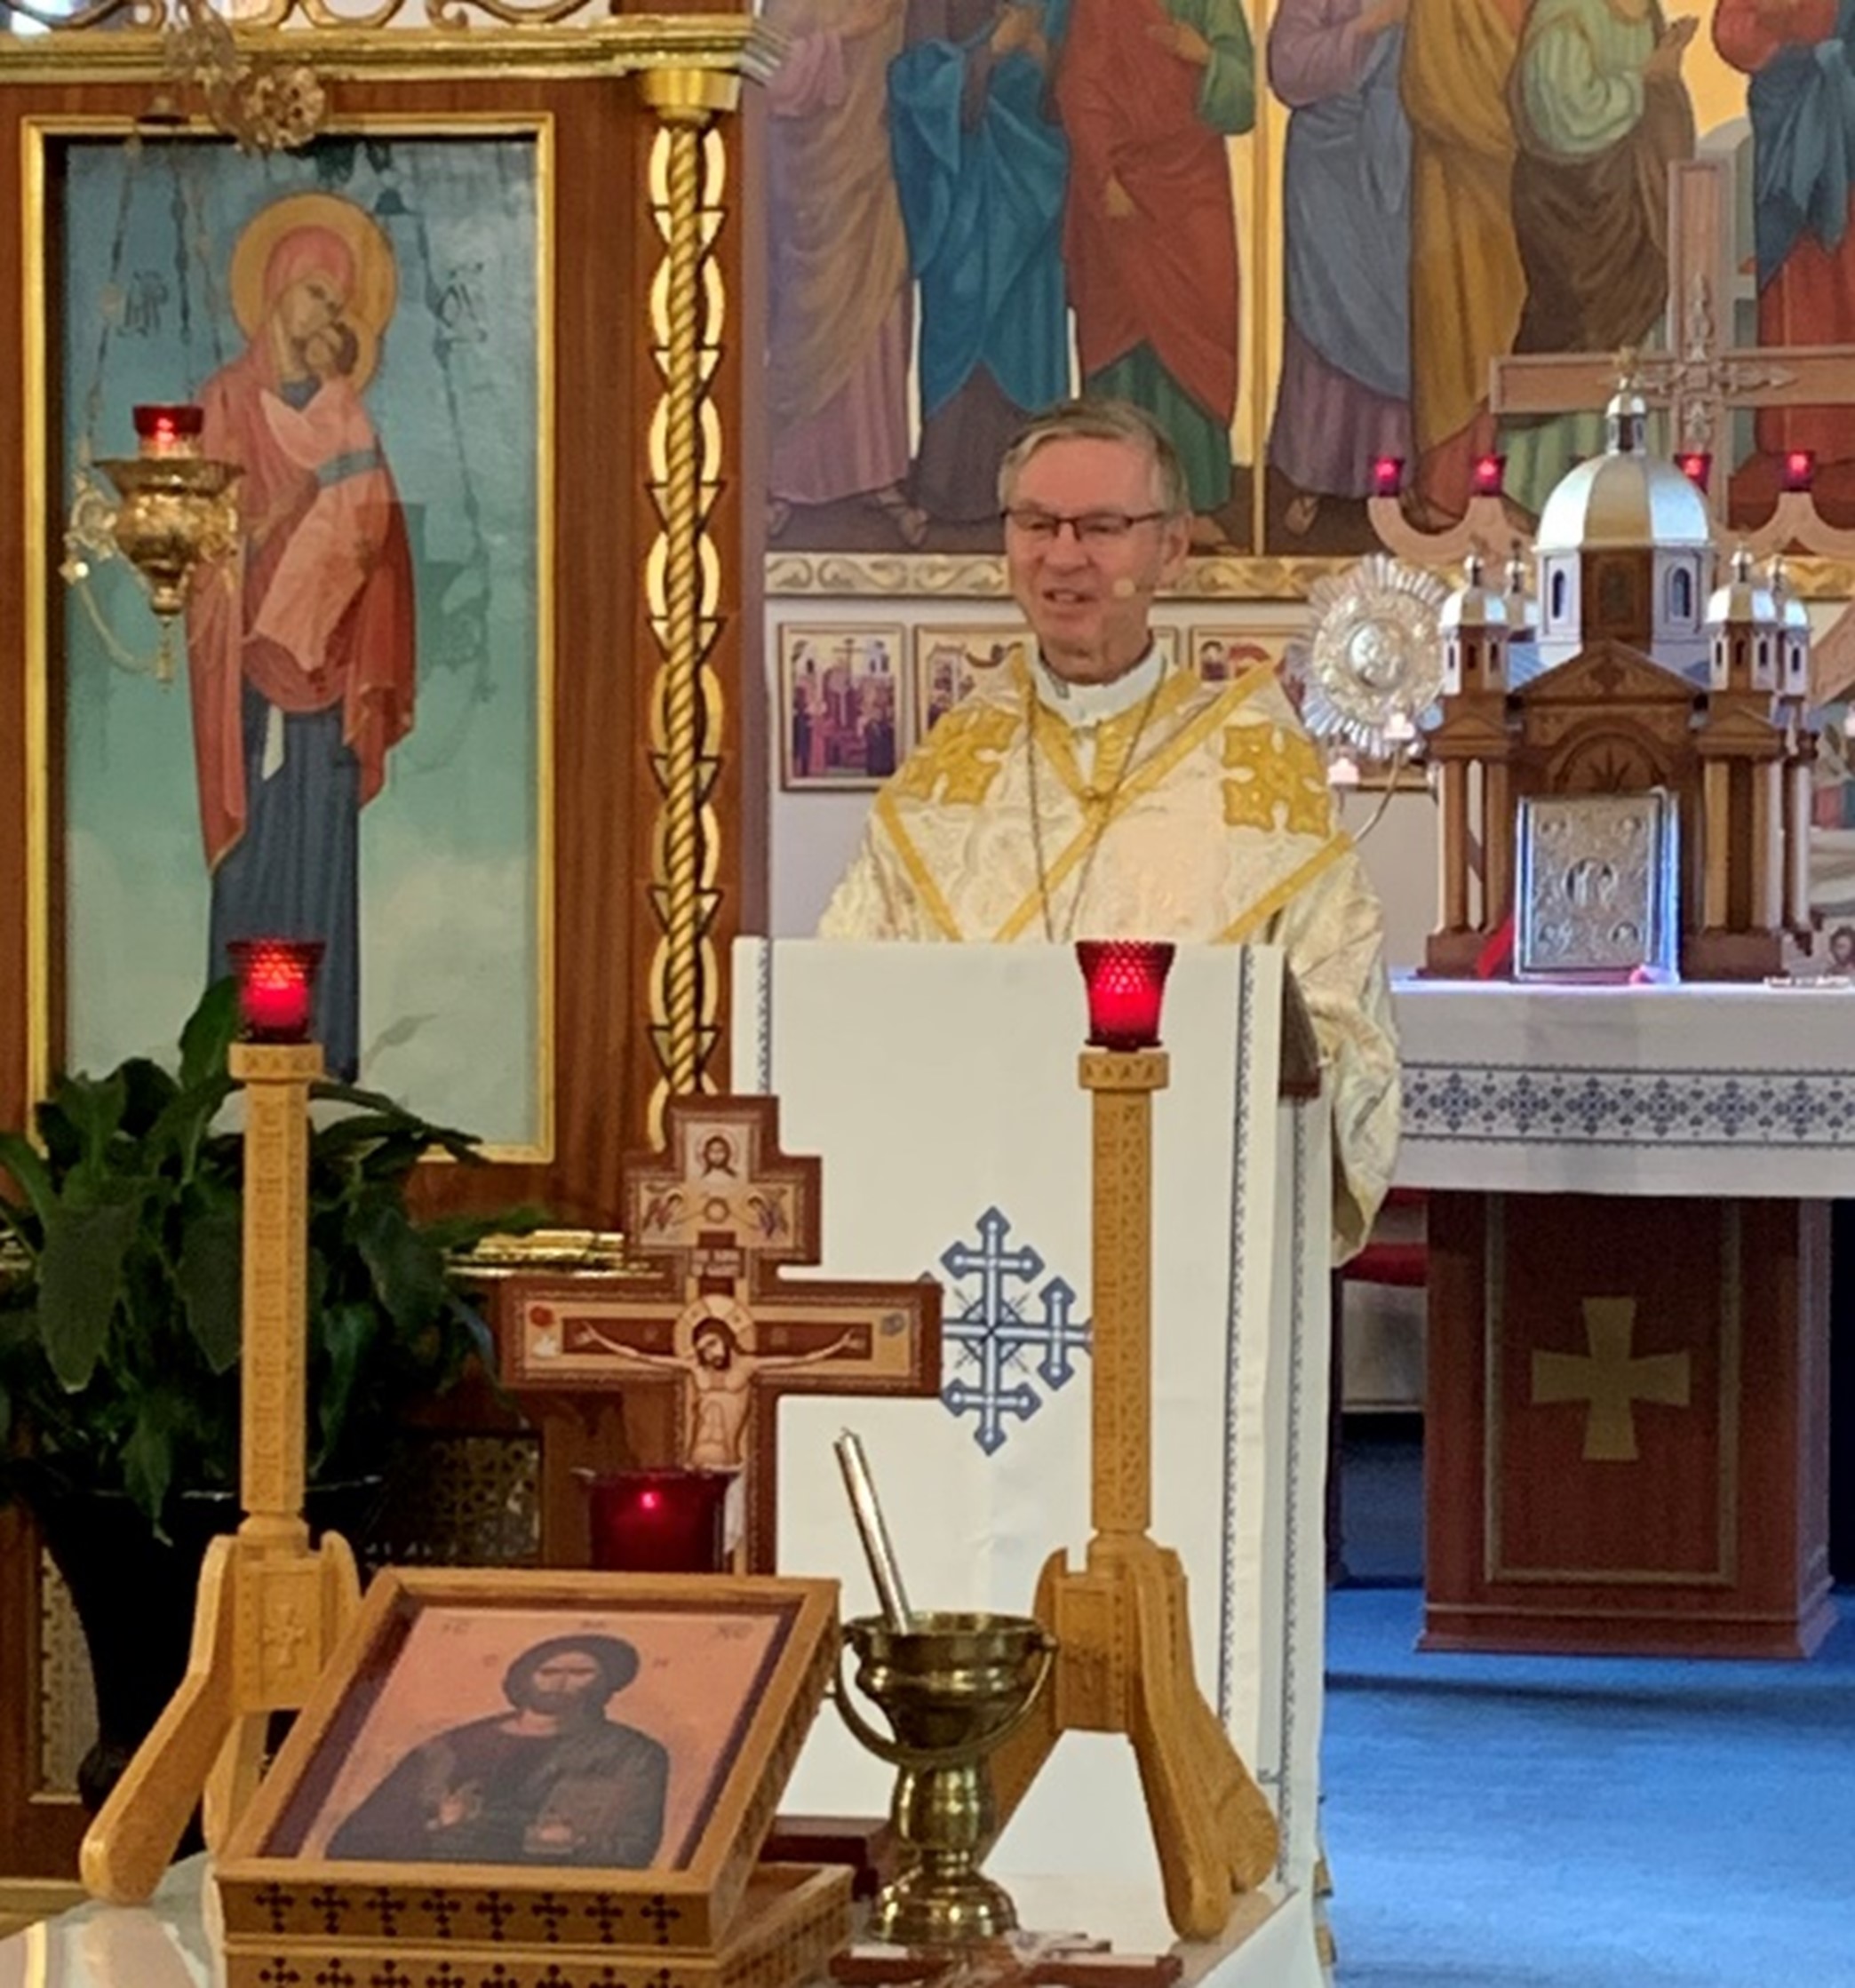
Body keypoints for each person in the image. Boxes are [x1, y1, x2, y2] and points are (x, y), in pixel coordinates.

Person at [818, 399, 1400, 1260]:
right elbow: (849, 1012)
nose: (1063, 556)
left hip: (1190, 1234)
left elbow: (1344, 1033)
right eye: (1035, 523)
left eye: (1101, 526)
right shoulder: (947, 777)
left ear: (1170, 548)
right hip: (973, 1236)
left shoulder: (1258, 774)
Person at [186, 196, 416, 1080]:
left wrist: (353, 568)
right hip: (249, 669)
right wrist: (263, 524)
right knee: (259, 836)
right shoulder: (225, 403)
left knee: (319, 834)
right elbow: (197, 540)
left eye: (340, 301)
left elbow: (383, 538)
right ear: (278, 287)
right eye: (318, 293)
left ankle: (325, 1039)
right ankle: (228, 1046)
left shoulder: (346, 410)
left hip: (330, 664)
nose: (328, 314)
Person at [1052, 0, 1256, 549]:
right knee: (1122, 346)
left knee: (1200, 327)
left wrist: (1206, 56)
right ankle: (1113, 502)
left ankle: (1192, 502)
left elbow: (1243, 97)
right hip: (1119, 192)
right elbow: (1081, 85)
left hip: (1191, 185)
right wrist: (1102, 178)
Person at [1501, 0, 1696, 515]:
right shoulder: (1568, 11)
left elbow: (1659, 99)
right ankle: (1542, 486)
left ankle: (1636, 490)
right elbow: (1561, 113)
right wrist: (1644, 80)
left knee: (1633, 343)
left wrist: (1662, 80)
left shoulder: (1643, 11)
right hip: (1572, 212)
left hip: (1634, 214)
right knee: (1575, 334)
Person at [888, 0, 1072, 523]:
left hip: (1036, 179)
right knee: (961, 316)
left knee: (1028, 337)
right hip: (962, 180)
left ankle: (1040, 495)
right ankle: (948, 489)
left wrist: (1045, 58)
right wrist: (990, 51)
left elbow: (1084, 80)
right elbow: (912, 78)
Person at [763, 0, 928, 547]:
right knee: (807, 327)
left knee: (878, 315)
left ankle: (876, 475)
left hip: (875, 171)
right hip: (811, 187)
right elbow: (771, 78)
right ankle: (787, 479)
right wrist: (842, 35)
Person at [1265, 0, 1413, 538]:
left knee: (1400, 318)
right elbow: (1288, 68)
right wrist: (1371, 24)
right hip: (1327, 169)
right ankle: (1318, 473)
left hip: (1405, 160)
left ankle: (1401, 472)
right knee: (1324, 315)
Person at [327, 1634, 668, 1866]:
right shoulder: (451, 1747)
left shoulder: (632, 1754)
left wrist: (538, 1840)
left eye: (581, 1672)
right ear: (524, 1680)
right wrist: (440, 1828)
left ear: (606, 1684)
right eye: (548, 1671)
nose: (562, 1682)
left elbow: (630, 1850)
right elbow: (356, 1841)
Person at [1715, 0, 1855, 524]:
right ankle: (1797, 443)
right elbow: (1734, 32)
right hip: (1796, 136)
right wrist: (1793, 57)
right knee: (1803, 287)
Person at [1399, 0, 1526, 527]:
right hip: (1458, 194)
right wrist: (1525, 144)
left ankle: (1507, 481)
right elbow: (1431, 88)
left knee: (1518, 330)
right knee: (1459, 337)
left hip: (1533, 202)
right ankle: (1448, 492)